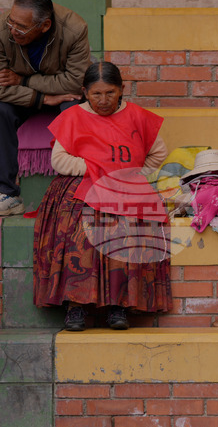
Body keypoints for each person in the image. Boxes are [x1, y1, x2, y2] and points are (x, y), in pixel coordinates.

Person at [33, 62, 170, 330]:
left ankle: (118, 306)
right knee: (79, 229)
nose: (103, 100)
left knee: (126, 228)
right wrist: (94, 169)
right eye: (96, 94)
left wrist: (133, 173)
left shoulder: (138, 117)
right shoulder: (73, 116)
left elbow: (158, 154)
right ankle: (75, 307)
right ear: (85, 92)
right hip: (83, 184)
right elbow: (59, 160)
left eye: (110, 93)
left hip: (125, 187)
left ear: (122, 90)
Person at [0, 0, 91, 216]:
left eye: (21, 27)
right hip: (27, 96)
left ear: (45, 25)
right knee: (0, 111)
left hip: (62, 94)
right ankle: (8, 194)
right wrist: (42, 98)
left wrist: (23, 80)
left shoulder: (75, 29)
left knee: (75, 110)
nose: (13, 30)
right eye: (11, 22)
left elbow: (74, 82)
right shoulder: (3, 29)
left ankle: (74, 192)